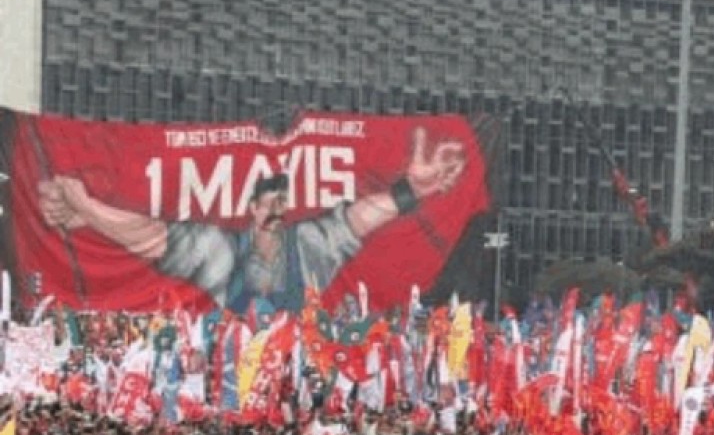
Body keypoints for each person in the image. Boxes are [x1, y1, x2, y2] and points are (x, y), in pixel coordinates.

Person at [37, 128, 467, 314]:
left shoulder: (309, 247)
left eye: (282, 205)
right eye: (268, 205)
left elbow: (357, 219)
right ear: (251, 210)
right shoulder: (220, 253)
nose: (276, 213)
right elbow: (150, 235)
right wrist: (91, 211)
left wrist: (411, 190)